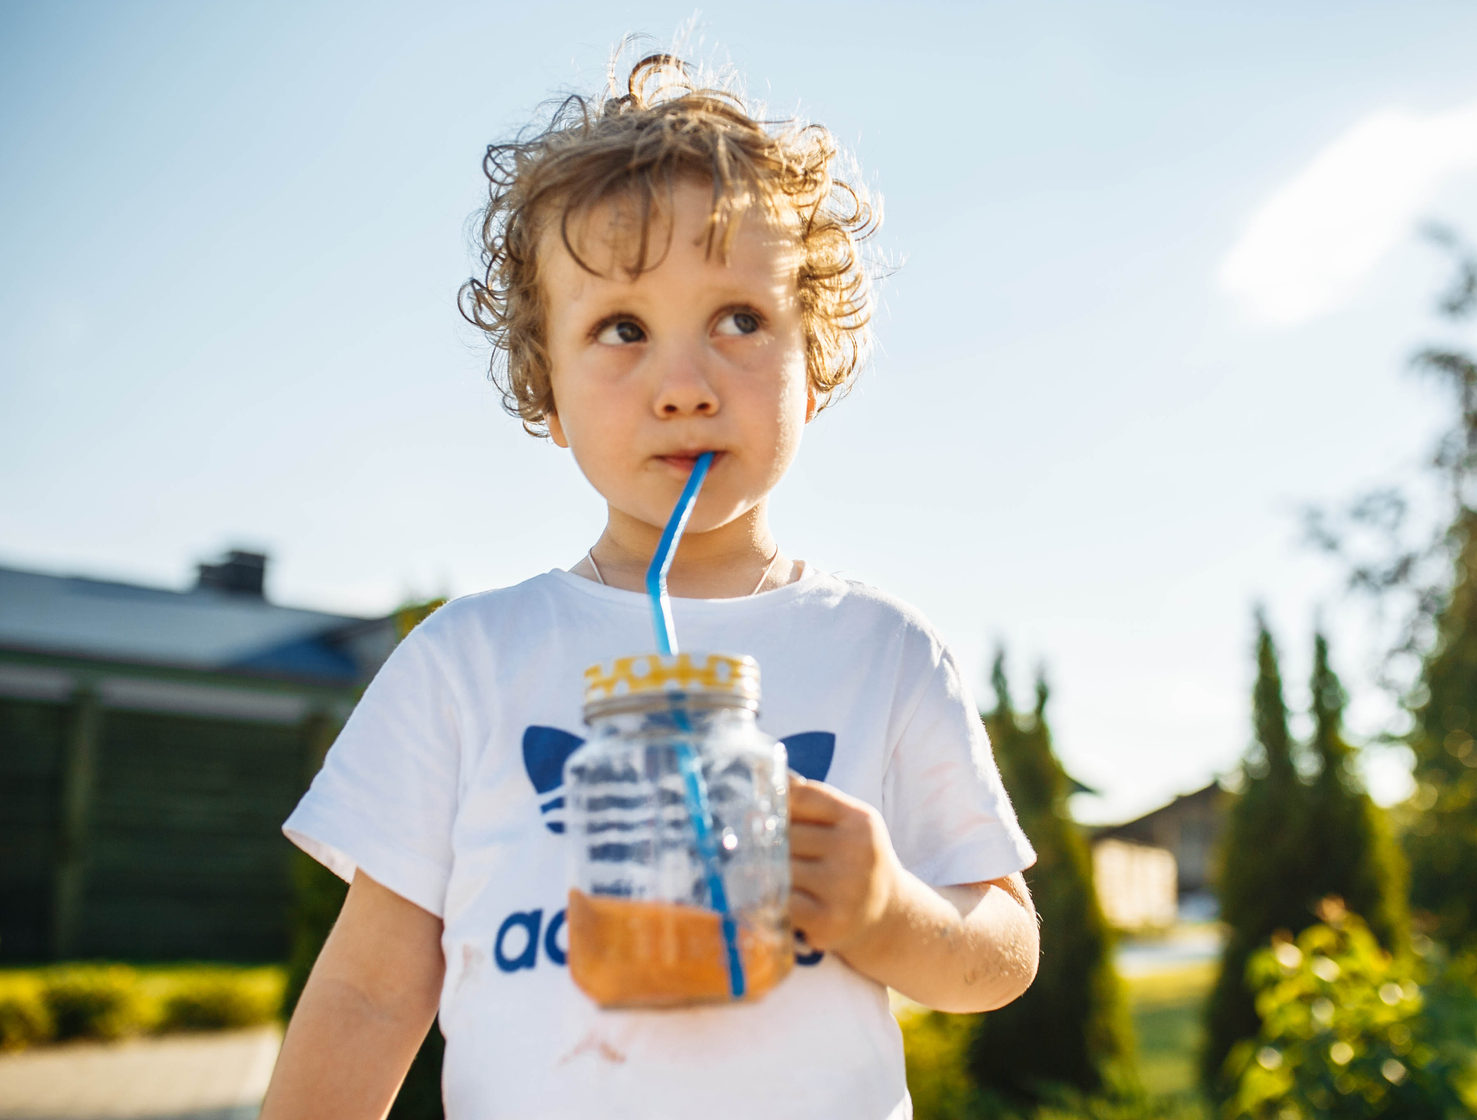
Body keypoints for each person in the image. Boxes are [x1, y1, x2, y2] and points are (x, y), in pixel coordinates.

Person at [261, 51, 1038, 1120]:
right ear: (547, 388)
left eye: (740, 320)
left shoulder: (882, 650)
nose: (683, 387)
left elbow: (1003, 951)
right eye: (621, 329)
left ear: (814, 359)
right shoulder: (465, 662)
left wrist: (887, 910)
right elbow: (367, 994)